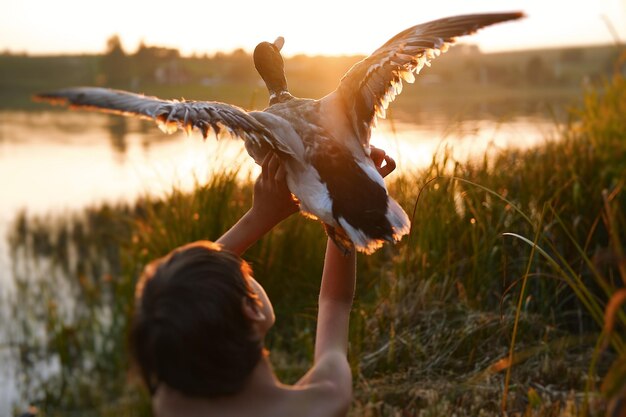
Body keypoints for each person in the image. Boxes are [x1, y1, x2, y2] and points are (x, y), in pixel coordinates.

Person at [130, 147, 397, 417]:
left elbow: (176, 299)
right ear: (252, 308)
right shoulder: (326, 397)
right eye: (244, 273)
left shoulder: (172, 405)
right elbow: (335, 302)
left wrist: (262, 214)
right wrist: (346, 212)